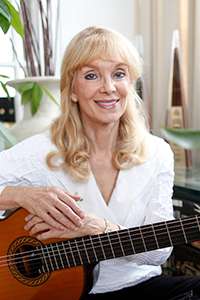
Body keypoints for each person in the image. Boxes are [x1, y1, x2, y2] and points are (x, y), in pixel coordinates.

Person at [0, 26, 199, 300]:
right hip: (65, 293)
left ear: (131, 83)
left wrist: (99, 228)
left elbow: (158, 254)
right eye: (91, 76)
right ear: (72, 90)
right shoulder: (41, 152)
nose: (108, 88)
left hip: (141, 288)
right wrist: (18, 194)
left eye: (119, 74)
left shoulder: (157, 153)